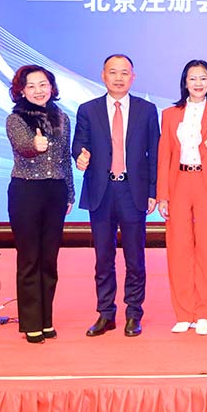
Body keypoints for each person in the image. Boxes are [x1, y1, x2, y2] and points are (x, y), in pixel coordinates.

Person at [73, 54, 160, 338]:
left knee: (135, 258)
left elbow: (154, 153)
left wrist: (153, 191)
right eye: (113, 72)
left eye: (124, 72)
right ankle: (105, 313)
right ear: (103, 75)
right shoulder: (88, 110)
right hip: (102, 190)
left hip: (133, 191)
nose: (119, 78)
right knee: (103, 257)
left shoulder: (147, 110)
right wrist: (80, 156)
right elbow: (79, 144)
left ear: (133, 77)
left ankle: (134, 313)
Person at [157, 60, 207, 335]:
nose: (198, 83)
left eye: (203, 78)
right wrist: (162, 195)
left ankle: (203, 314)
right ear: (185, 83)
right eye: (193, 78)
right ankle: (183, 313)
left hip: (206, 184)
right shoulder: (170, 114)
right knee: (178, 249)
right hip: (178, 183)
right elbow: (164, 155)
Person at [6, 65, 74, 344]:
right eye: (31, 86)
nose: (38, 90)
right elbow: (23, 146)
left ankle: (46, 319)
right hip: (26, 191)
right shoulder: (15, 119)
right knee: (29, 258)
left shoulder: (62, 118)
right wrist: (35, 145)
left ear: (51, 87)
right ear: (22, 90)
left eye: (43, 84)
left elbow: (65, 159)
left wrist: (69, 194)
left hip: (55, 191)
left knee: (49, 259)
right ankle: (31, 322)